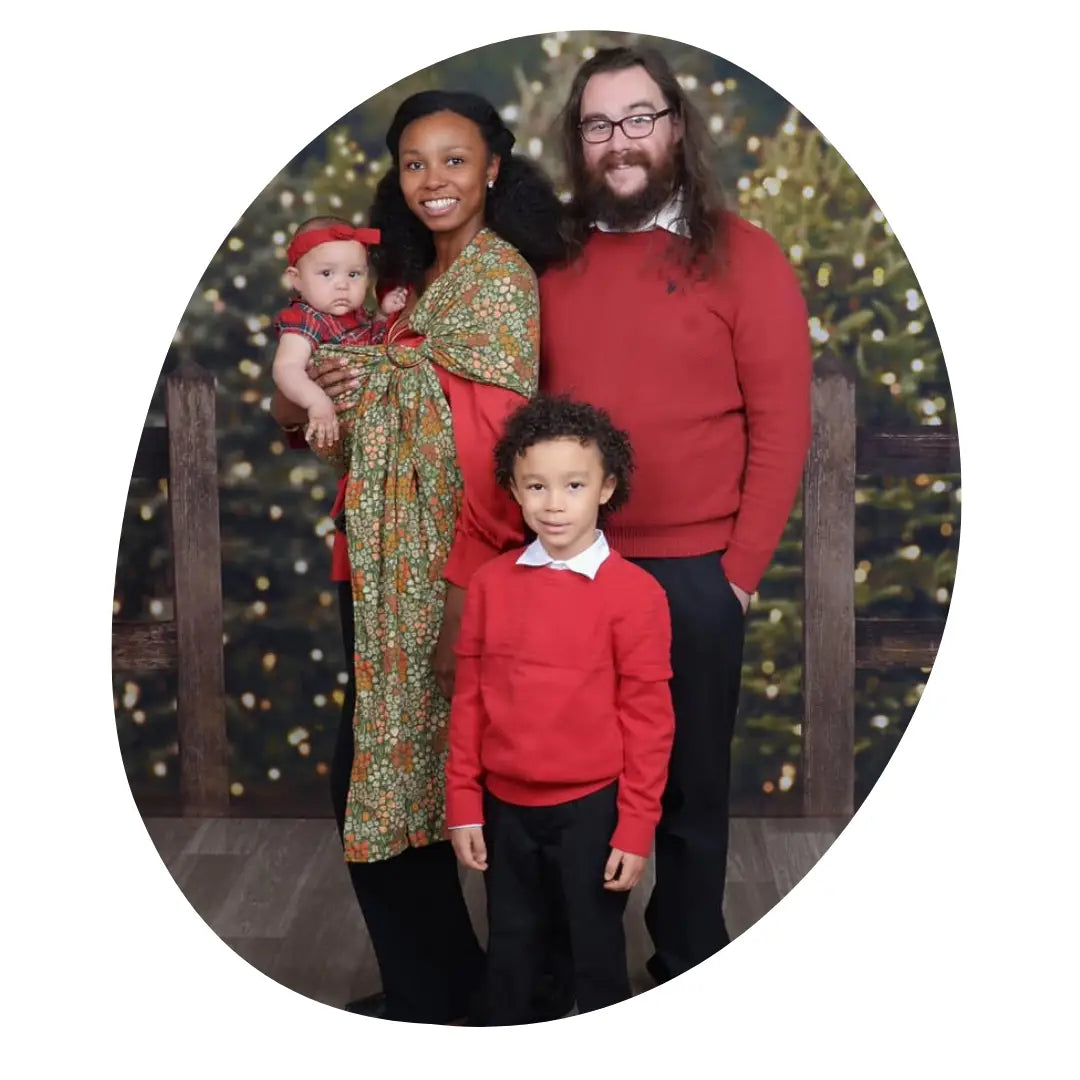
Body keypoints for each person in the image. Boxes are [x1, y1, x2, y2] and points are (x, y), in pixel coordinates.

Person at [271, 89, 565, 1025]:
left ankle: (515, 992)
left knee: (467, 775)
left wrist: (463, 587)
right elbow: (327, 411)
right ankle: (440, 987)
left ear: (492, 170)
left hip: (452, 568)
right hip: (373, 557)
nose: (433, 180)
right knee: (386, 770)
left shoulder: (498, 281)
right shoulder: (386, 282)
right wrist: (306, 398)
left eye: (454, 159)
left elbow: (497, 445)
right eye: (414, 163)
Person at [539, 47, 813, 987]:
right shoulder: (547, 261)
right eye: (599, 124)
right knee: (575, 788)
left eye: (639, 118)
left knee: (691, 789)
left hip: (696, 574)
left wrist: (735, 576)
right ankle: (581, 980)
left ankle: (690, 966)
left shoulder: (743, 254)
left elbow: (783, 426)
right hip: (573, 568)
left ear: (676, 127)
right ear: (578, 141)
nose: (621, 142)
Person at [445, 395, 675, 1025]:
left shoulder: (636, 595)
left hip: (592, 811)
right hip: (505, 809)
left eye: (573, 485)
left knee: (597, 958)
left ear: (606, 488)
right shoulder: (492, 584)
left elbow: (650, 721)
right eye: (535, 486)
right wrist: (464, 802)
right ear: (514, 491)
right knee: (512, 955)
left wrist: (635, 827)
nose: (553, 504)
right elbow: (470, 702)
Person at [271, 216, 407, 448]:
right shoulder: (305, 319)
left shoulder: (359, 316)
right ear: (297, 279)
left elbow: (376, 349)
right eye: (326, 274)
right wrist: (316, 401)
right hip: (336, 424)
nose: (342, 285)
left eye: (353, 274)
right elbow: (286, 368)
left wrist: (384, 316)